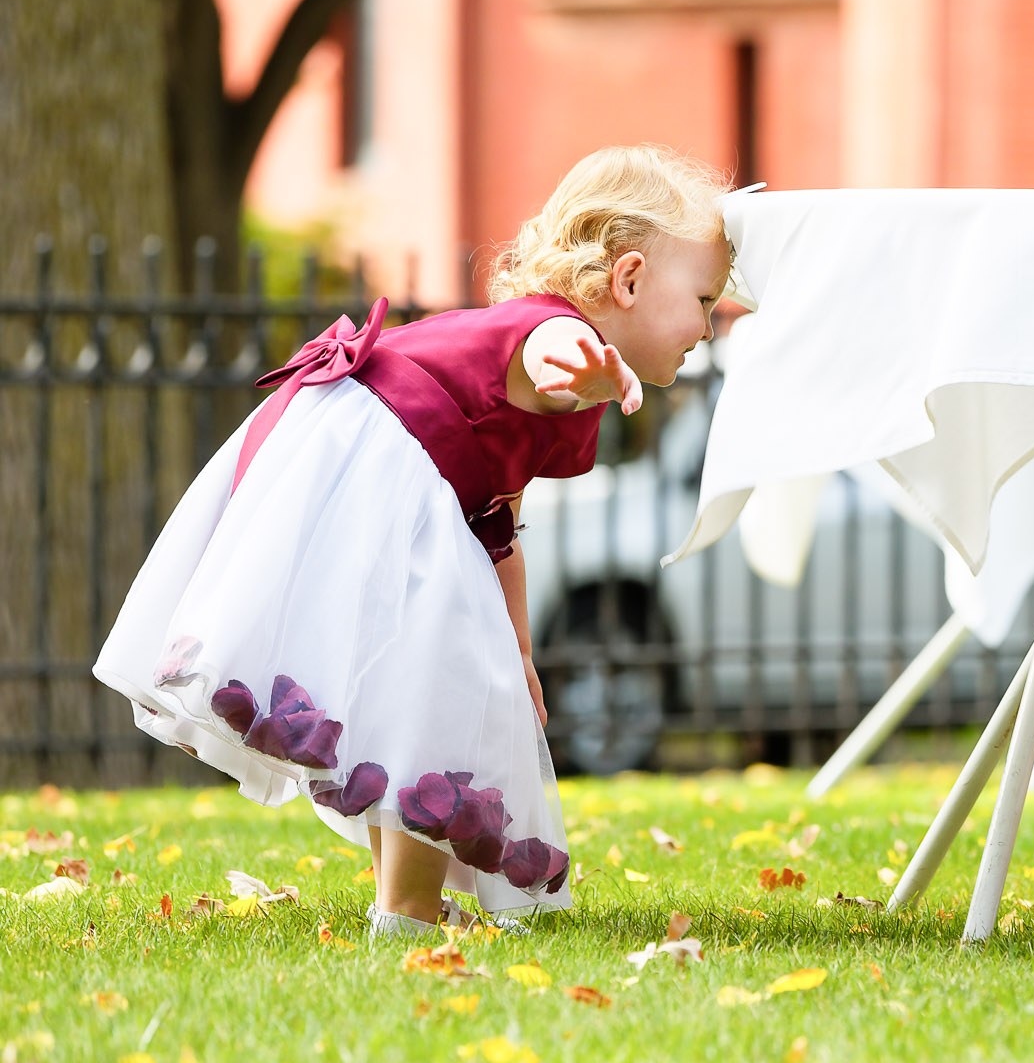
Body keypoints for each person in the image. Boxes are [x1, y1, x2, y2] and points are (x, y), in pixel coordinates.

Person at [94, 145, 732, 935]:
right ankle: (408, 910)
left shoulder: (556, 372)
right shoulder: (552, 335)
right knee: (441, 695)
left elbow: (497, 522)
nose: (710, 326)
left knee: (416, 696)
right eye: (704, 299)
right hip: (378, 473)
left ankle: (405, 904)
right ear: (628, 280)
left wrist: (520, 649)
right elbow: (545, 355)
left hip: (385, 479)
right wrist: (590, 375)